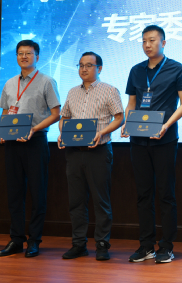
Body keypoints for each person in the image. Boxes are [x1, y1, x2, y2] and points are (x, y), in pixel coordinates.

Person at [121, 25, 182, 264]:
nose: (147, 45)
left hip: (164, 139)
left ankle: (167, 246)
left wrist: (167, 125)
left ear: (163, 42)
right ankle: (146, 245)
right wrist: (127, 122)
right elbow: (132, 102)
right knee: (143, 194)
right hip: (139, 140)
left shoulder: (177, 69)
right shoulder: (136, 70)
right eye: (144, 41)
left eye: (152, 40)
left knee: (166, 194)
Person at [0, 40, 60, 258]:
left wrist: (34, 129)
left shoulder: (47, 81)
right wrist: (2, 132)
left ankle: (34, 240)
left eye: (29, 53)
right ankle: (16, 239)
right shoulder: (9, 83)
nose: (24, 56)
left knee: (37, 192)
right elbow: (6, 112)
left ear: (37, 57)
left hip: (35, 141)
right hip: (12, 143)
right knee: (15, 193)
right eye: (20, 53)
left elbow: (56, 114)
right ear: (16, 57)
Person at [58, 52, 124, 261]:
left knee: (100, 201)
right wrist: (62, 133)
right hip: (74, 152)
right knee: (76, 201)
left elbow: (120, 118)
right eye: (80, 65)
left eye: (89, 65)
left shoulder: (109, 90)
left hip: (99, 151)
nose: (84, 69)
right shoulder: (72, 92)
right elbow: (64, 117)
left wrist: (101, 132)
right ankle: (79, 244)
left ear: (99, 68)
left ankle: (102, 244)